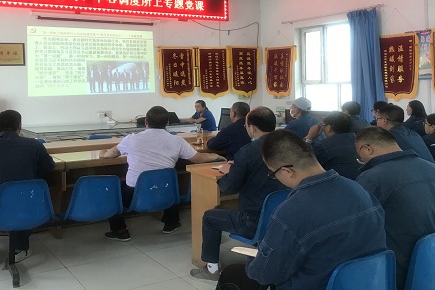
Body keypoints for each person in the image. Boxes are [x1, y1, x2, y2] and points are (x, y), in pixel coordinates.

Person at [215, 130, 386, 290]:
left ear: (287, 171)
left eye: (273, 174)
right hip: (367, 283)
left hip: (317, 285)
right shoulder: (359, 189)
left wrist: (253, 260)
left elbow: (265, 275)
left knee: (231, 274)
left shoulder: (291, 211)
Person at [355, 126, 435, 290]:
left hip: (397, 275)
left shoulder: (371, 178)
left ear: (367, 149)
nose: (361, 161)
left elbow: (358, 231)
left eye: (359, 156)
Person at [190, 107, 285, 281]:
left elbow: (229, 187)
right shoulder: (287, 147)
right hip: (282, 217)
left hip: (252, 220)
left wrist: (228, 173)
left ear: (252, 127)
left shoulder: (248, 151)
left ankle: (211, 270)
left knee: (209, 217)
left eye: (246, 126)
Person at [100, 106, 222, 241]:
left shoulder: (131, 139)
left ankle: (120, 231)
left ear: (146, 122)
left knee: (112, 191)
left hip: (135, 192)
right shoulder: (177, 141)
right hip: (165, 191)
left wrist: (103, 153)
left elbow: (111, 154)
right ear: (167, 123)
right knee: (168, 181)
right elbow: (199, 158)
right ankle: (172, 223)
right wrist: (215, 156)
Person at [0, 110, 56, 268]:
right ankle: (21, 248)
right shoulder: (34, 145)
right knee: (21, 202)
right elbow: (49, 167)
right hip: (29, 208)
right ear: (19, 126)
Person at [304, 111, 362, 180]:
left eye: (324, 125)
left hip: (338, 183)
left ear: (329, 127)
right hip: (360, 182)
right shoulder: (359, 140)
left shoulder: (324, 146)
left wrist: (309, 137)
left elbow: (304, 164)